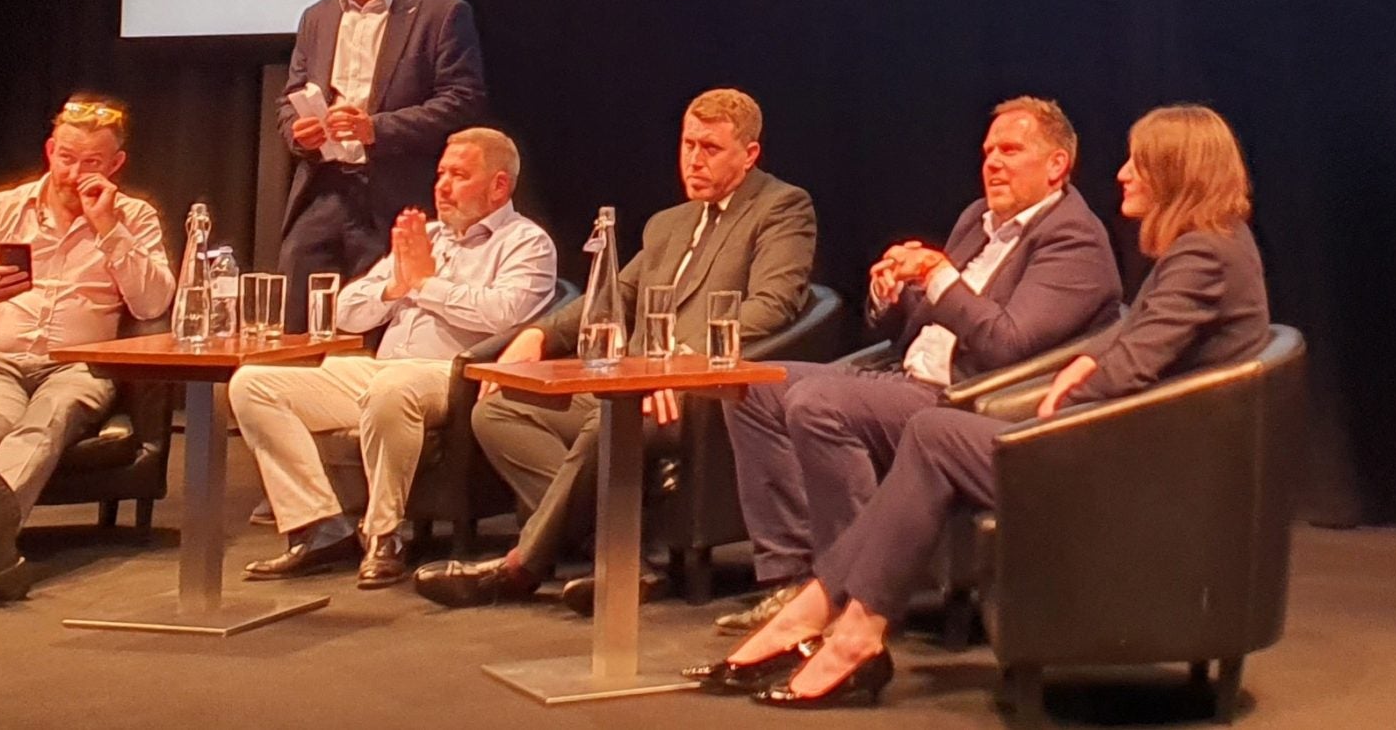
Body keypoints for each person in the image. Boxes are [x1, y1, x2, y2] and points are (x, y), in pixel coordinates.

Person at [694, 102, 1272, 705]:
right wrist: (902, 292)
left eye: (1139, 163)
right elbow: (1127, 343)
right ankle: (833, 617)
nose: (1122, 174)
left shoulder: (1198, 255)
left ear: (1178, 171)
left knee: (932, 431)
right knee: (875, 417)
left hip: (1123, 464)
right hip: (1096, 439)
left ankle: (835, 622)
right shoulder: (1202, 249)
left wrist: (1075, 383)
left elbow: (1117, 367)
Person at [706, 95, 1122, 636]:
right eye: (988, 152)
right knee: (752, 387)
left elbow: (1008, 342)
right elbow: (928, 319)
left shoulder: (1074, 240)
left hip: (968, 400)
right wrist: (895, 293)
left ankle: (859, 593)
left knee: (817, 401)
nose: (993, 163)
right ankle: (790, 578)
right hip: (902, 377)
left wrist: (937, 274)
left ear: (1056, 164)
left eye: (1010, 150)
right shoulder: (977, 219)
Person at [413, 88, 817, 612]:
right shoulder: (669, 223)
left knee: (608, 420)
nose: (694, 159)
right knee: (499, 412)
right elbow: (613, 299)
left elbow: (772, 306)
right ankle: (626, 559)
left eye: (711, 148)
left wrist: (681, 364)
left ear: (749, 154)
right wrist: (539, 335)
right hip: (636, 384)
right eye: (688, 144)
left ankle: (519, 567)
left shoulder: (782, 207)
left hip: (700, 393)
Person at [231, 126, 554, 587]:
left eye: (459, 175)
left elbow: (504, 314)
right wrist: (398, 285)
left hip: (453, 375)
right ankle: (320, 527)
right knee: (253, 383)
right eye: (441, 174)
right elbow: (348, 310)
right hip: (381, 368)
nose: (442, 186)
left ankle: (384, 536)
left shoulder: (526, 243)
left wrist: (425, 283)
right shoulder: (429, 236)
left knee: (391, 388)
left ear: (499, 186)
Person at [0, 93, 175, 599]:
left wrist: (108, 229)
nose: (74, 174)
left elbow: (153, 303)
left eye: (91, 163)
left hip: (79, 366)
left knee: (49, 419)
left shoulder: (133, 217)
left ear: (115, 165)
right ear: (50, 150)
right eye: (66, 158)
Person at [278, 0, 487, 325]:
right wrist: (298, 131)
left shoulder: (439, 13)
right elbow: (290, 97)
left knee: (379, 324)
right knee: (297, 323)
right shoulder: (316, 18)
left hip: (393, 197)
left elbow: (462, 101)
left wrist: (377, 129)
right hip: (323, 190)